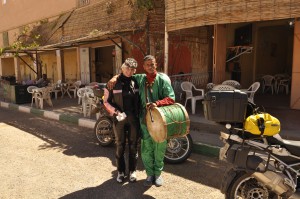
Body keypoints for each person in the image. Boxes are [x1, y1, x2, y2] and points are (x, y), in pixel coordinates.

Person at [108, 55, 175, 187]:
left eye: (153, 64)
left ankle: (158, 174)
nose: (150, 67)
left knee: (159, 147)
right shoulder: (140, 78)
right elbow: (126, 74)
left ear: (156, 64)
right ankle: (150, 174)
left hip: (160, 120)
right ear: (143, 67)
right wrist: (114, 77)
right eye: (148, 65)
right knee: (146, 148)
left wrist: (157, 103)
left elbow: (171, 98)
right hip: (144, 120)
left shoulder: (162, 79)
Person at [103, 58, 140, 183]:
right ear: (122, 68)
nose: (130, 71)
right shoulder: (112, 83)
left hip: (133, 119)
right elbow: (106, 101)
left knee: (133, 146)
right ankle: (121, 172)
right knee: (120, 145)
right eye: (128, 68)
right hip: (119, 119)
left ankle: (132, 171)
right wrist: (116, 112)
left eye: (132, 69)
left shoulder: (136, 81)